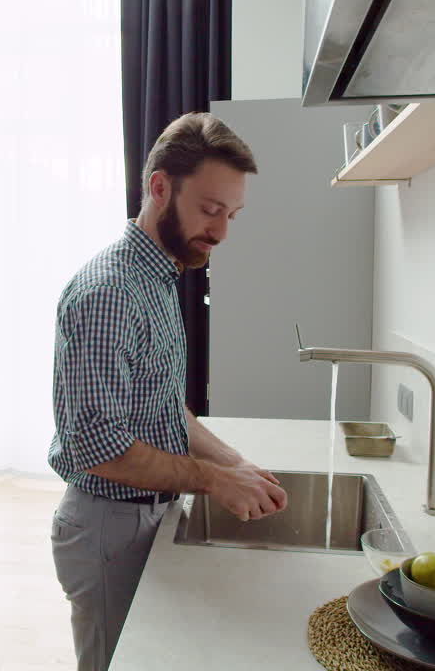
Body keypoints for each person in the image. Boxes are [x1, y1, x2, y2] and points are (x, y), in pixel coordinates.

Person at [48, 112, 288, 671]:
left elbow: (161, 407)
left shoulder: (156, 278)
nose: (223, 230)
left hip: (145, 514)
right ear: (159, 187)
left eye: (232, 214)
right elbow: (99, 446)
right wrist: (213, 479)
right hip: (109, 525)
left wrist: (236, 464)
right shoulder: (109, 292)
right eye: (210, 209)